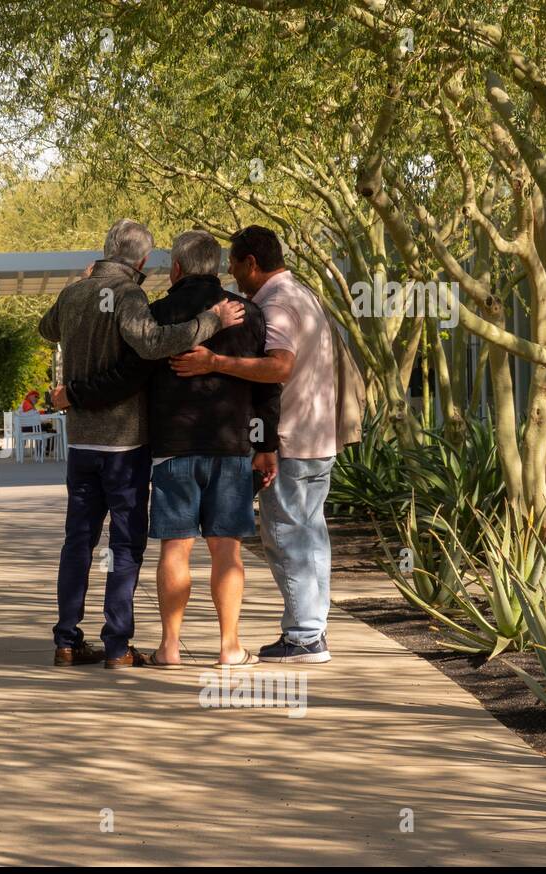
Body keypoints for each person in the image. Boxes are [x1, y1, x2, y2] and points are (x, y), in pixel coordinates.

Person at [54, 230, 281, 667]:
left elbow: (128, 377)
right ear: (217, 267)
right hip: (231, 446)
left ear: (175, 268)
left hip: (173, 448)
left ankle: (170, 647)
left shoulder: (156, 313)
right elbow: (267, 382)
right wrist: (265, 442)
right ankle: (230, 646)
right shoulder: (248, 313)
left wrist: (75, 393)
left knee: (175, 548)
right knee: (226, 549)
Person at [170, 225, 336, 663]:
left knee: (286, 535)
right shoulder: (305, 295)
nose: (231, 273)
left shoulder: (276, 303)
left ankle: (303, 636)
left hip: (291, 437)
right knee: (311, 533)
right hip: (318, 436)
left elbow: (278, 368)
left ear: (252, 264)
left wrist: (214, 362)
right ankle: (313, 628)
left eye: (235, 264)